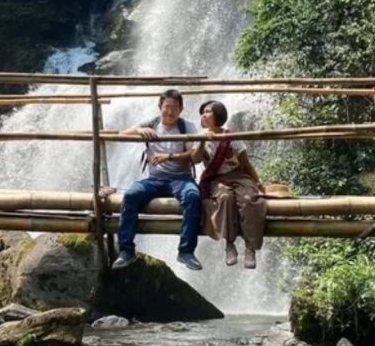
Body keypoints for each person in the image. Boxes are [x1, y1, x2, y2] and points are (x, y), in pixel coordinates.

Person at [112, 88, 203, 271]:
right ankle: (126, 251)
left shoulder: (187, 127)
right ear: (160, 107)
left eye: (175, 108)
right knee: (130, 195)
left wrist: (168, 156)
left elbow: (194, 157)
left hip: (181, 178)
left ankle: (186, 252)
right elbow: (121, 135)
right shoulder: (151, 124)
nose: (170, 112)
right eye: (166, 107)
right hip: (154, 179)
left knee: (193, 197)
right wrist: (139, 130)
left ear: (181, 109)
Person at [192, 100, 266, 269]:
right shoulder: (200, 137)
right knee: (224, 199)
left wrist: (258, 182)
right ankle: (229, 244)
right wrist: (202, 140)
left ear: (218, 115)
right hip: (216, 179)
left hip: (240, 177)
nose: (203, 115)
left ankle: (250, 248)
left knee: (250, 200)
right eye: (202, 112)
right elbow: (195, 159)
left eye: (208, 111)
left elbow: (246, 165)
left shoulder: (231, 137)